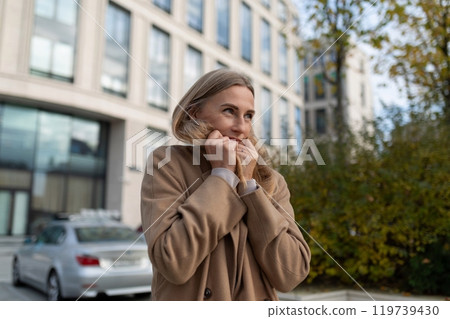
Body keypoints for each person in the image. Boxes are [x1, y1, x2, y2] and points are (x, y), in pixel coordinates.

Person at [140, 69, 310, 301]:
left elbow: (291, 274)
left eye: (249, 115)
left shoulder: (270, 181)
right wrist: (222, 177)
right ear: (194, 114)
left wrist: (250, 188)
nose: (241, 127)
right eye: (229, 111)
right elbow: (173, 263)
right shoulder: (166, 164)